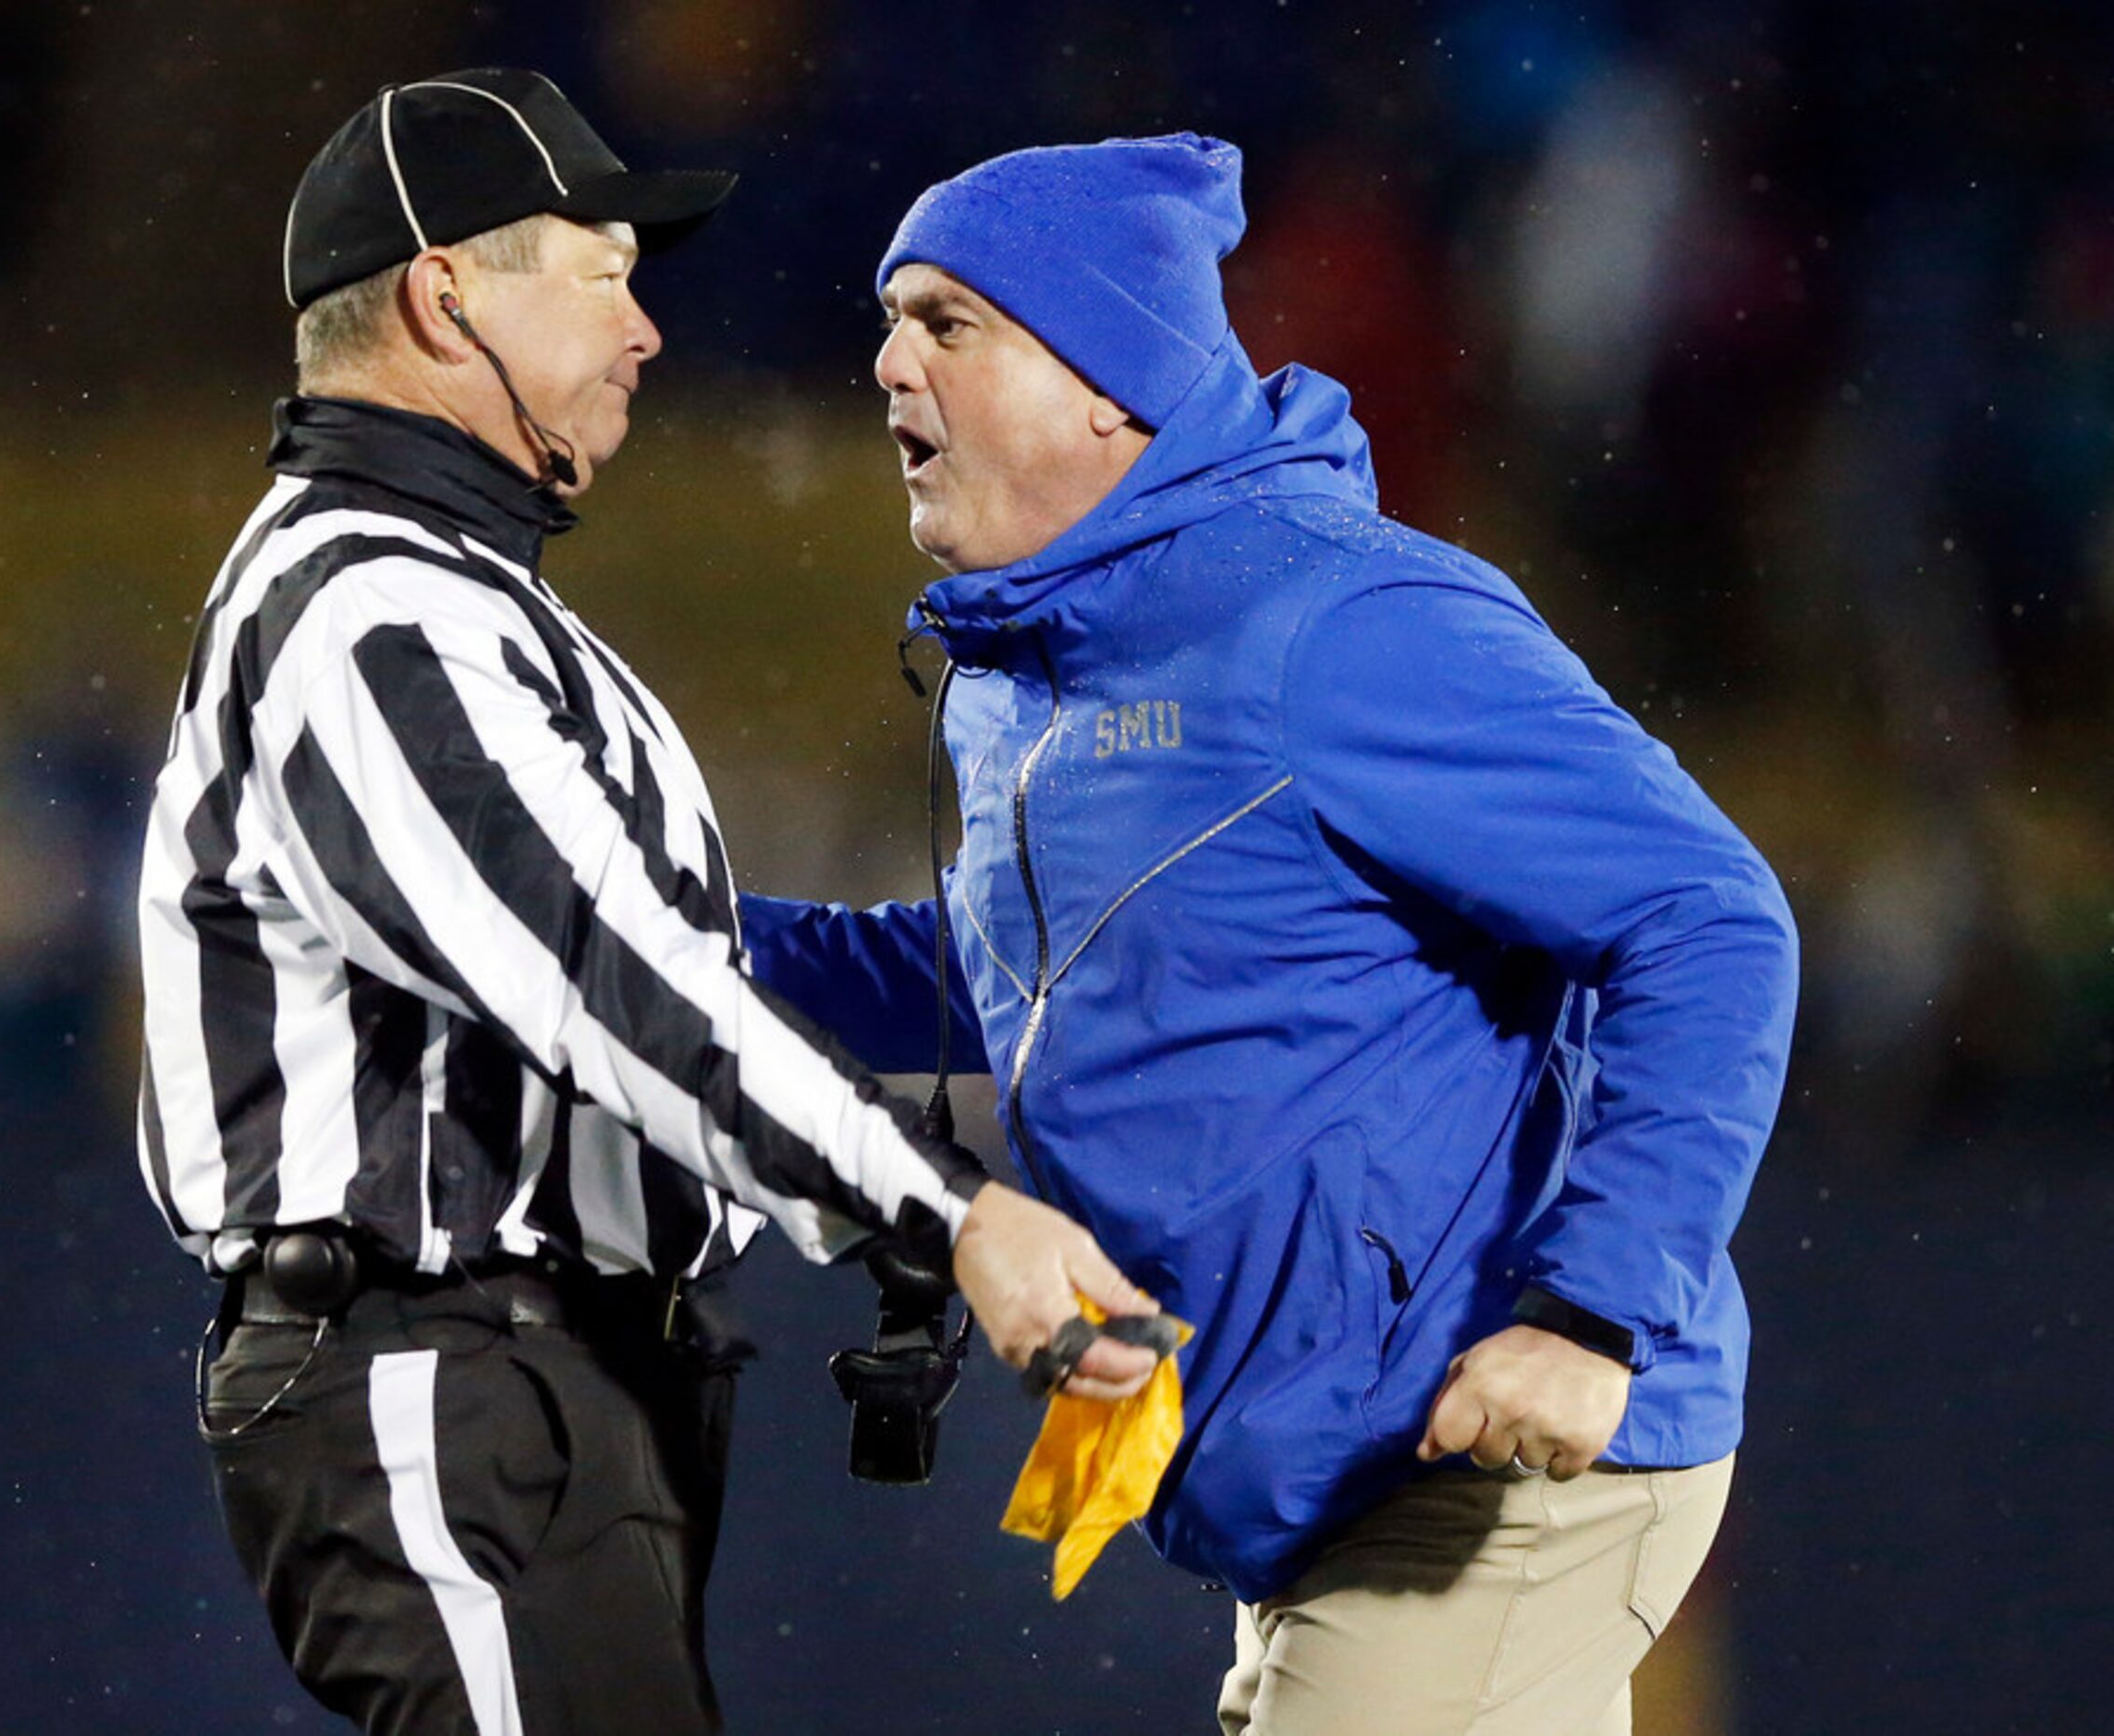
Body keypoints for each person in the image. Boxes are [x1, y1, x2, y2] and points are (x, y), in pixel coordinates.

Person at [133, 71, 1157, 1736]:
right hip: (446, 1369)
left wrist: (1070, 985)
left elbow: (686, 966)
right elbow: (618, 988)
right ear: (443, 293)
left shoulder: (454, 598)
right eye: (601, 270)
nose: (648, 328)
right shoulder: (368, 614)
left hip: (547, 1383)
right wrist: (953, 1218)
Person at [739, 134, 1801, 1733]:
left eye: (949, 321)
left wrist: (1591, 1313)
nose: (888, 359)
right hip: (1322, 1496)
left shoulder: (1338, 619)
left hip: (1484, 1466)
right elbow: (1013, 985)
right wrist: (655, 930)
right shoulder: (1030, 680)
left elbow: (1712, 920)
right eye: (894, 317)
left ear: (1109, 381)